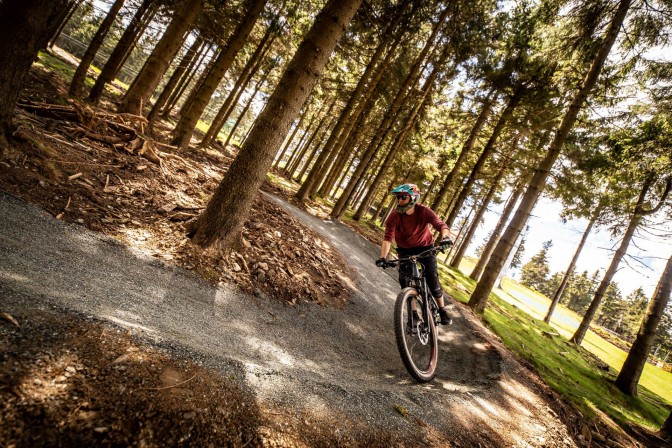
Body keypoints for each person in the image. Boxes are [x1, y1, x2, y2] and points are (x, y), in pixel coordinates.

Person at [376, 183, 457, 325]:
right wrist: (383, 257)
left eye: (403, 197)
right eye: (398, 197)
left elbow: (440, 225)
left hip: (426, 248)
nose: (400, 200)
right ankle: (413, 313)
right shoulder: (394, 216)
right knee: (405, 280)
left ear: (413, 198)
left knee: (432, 277)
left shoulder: (423, 211)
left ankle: (442, 310)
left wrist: (445, 237)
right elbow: (388, 238)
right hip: (404, 250)